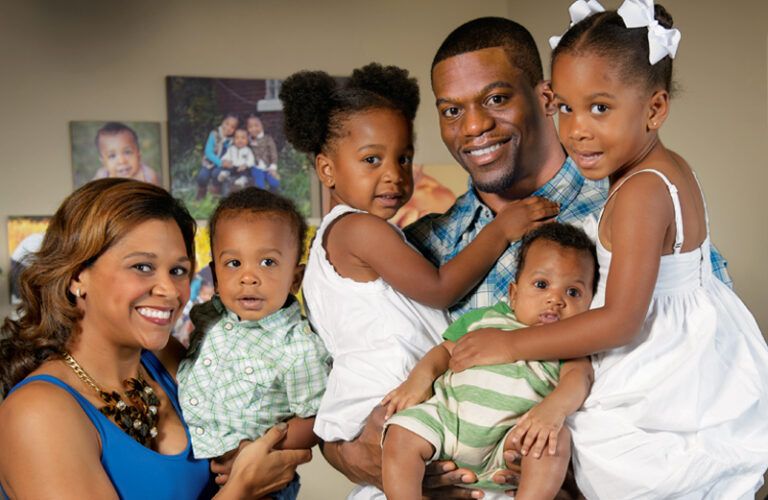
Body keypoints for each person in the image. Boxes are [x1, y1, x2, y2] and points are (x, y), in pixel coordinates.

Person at [322, 16, 733, 498]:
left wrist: (557, 472)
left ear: (543, 97)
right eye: (452, 110)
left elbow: (703, 378)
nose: (473, 126)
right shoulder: (421, 248)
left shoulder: (622, 211)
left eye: (496, 99)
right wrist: (354, 453)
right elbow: (335, 389)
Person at [448, 2, 768, 498]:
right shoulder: (666, 168)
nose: (577, 129)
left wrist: (509, 343)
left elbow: (622, 321)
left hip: (663, 369)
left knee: (610, 459)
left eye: (600, 107)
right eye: (566, 107)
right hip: (700, 354)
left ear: (655, 109)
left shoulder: (641, 191)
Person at [281, 62, 558, 499]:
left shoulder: (369, 234)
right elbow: (440, 287)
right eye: (372, 160)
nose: (393, 173)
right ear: (326, 169)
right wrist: (503, 228)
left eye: (403, 157)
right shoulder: (358, 230)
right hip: (385, 389)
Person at [0, 178, 311, 499]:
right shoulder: (36, 414)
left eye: (178, 270)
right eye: (143, 266)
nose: (169, 290)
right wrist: (242, 487)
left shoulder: (166, 361)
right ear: (78, 275)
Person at [382, 223, 597, 500]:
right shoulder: (485, 319)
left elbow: (579, 379)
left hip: (509, 442)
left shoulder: (571, 343)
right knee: (400, 433)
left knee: (551, 442)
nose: (555, 299)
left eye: (573, 292)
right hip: (447, 420)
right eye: (542, 285)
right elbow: (444, 352)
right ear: (514, 293)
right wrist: (418, 381)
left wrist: (553, 411)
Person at [178, 187, 330, 500]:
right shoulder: (208, 319)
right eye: (234, 264)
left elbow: (316, 418)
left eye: (268, 262)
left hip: (262, 484)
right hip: (196, 475)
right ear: (215, 277)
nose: (249, 277)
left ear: (295, 279)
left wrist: (259, 452)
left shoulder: (297, 346)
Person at [92, 121, 161, 185]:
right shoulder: (102, 177)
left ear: (138, 154)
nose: (122, 161)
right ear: (103, 162)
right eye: (112, 156)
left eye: (127, 152)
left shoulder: (148, 176)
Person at [197, 113, 238, 199]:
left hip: (223, 166)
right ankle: (201, 192)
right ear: (223, 122)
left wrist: (228, 163)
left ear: (235, 130)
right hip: (210, 163)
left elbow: (233, 154)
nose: (228, 128)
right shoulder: (214, 134)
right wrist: (220, 162)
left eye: (232, 127)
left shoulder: (232, 141)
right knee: (202, 176)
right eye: (227, 124)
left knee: (216, 174)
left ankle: (215, 192)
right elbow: (208, 152)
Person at [246, 114, 281, 192]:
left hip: (267, 166)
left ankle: (271, 193)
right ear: (247, 129)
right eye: (250, 127)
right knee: (260, 185)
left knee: (275, 183)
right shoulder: (248, 140)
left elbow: (273, 153)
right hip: (256, 167)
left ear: (262, 126)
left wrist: (273, 167)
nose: (254, 129)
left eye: (256, 125)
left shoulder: (268, 139)